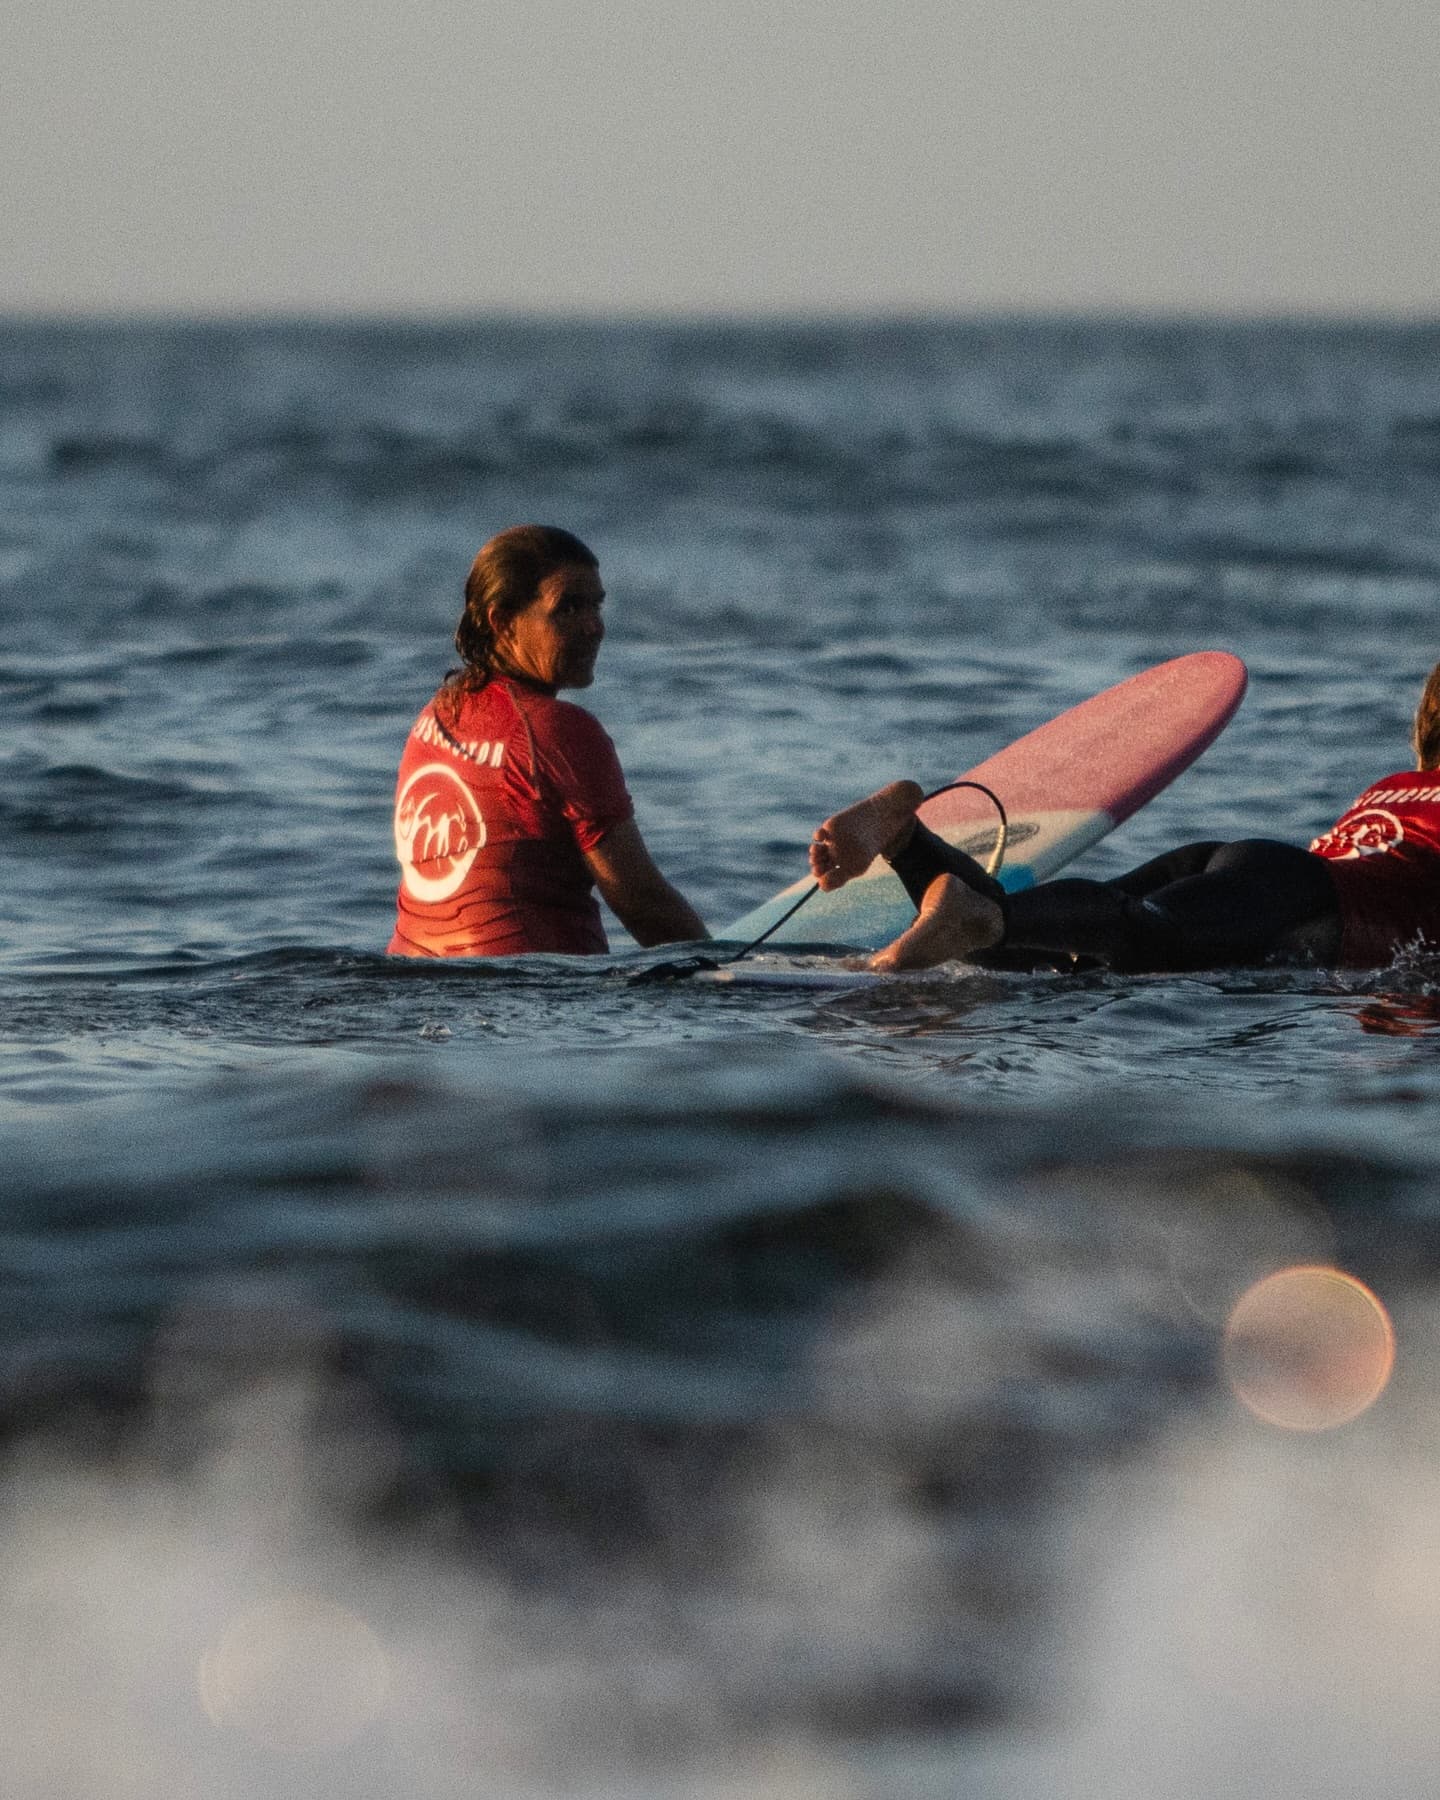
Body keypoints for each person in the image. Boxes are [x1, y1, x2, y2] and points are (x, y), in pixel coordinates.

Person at [810, 662, 1440, 974]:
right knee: (1146, 935)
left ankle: (904, 839)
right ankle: (984, 915)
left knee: (1047, 947)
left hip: (1260, 866)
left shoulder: (1398, 786)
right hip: (1304, 899)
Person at [390, 525, 707, 957]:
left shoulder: (437, 714)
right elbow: (641, 903)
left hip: (419, 990)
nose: (594, 627)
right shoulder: (560, 730)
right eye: (569, 608)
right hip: (534, 1003)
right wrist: (729, 981)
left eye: (596, 606)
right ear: (502, 621)